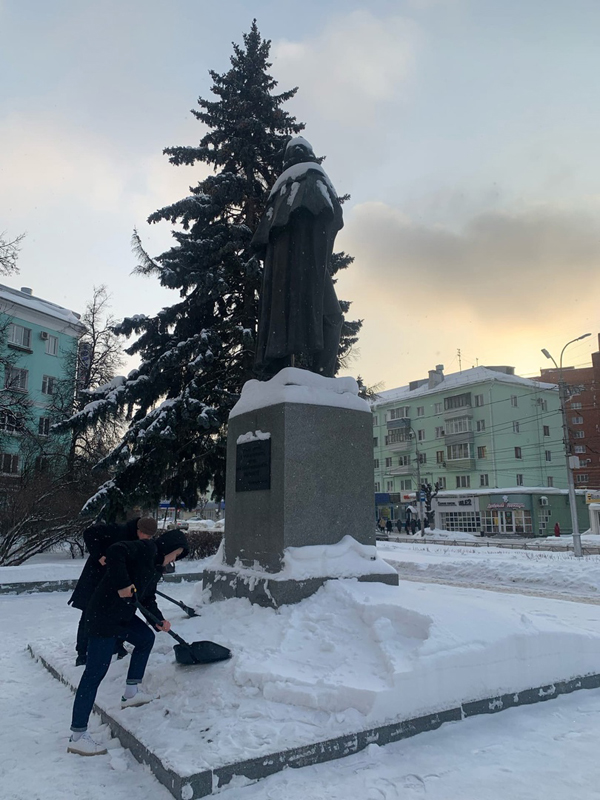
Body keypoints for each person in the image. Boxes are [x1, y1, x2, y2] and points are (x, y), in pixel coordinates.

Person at [67, 529, 189, 756]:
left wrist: (158, 620)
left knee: (145, 638)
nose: (174, 559)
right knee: (94, 674)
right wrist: (123, 584)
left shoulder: (155, 568)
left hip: (122, 616)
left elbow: (147, 597)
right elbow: (116, 551)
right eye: (176, 554)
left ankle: (131, 693)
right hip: (103, 616)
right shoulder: (146, 548)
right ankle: (78, 736)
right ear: (169, 547)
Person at [252, 136, 344, 378]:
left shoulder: (277, 193)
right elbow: (332, 216)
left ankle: (282, 374)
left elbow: (262, 242)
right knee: (332, 318)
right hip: (309, 267)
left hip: (280, 276)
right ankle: (322, 376)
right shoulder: (314, 177)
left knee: (279, 325)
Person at [68, 517, 158, 666]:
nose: (147, 539)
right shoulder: (118, 530)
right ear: (138, 530)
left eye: (150, 537)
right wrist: (99, 555)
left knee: (116, 615)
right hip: (96, 579)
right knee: (88, 615)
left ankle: (116, 646)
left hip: (114, 584)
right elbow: (89, 533)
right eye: (145, 535)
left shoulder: (140, 543)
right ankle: (82, 653)